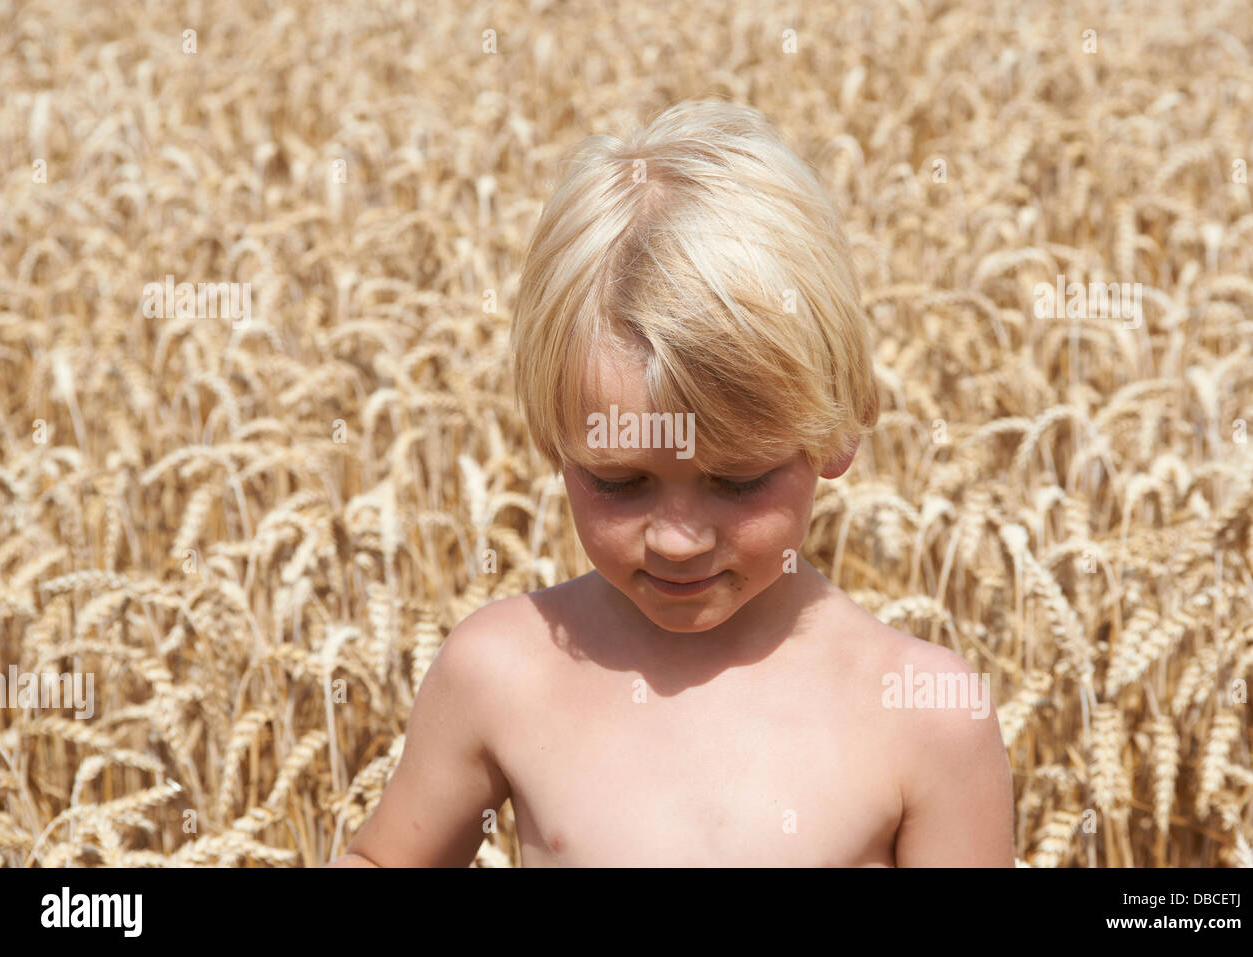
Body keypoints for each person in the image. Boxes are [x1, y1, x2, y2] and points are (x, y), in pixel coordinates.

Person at [328, 98, 1014, 866]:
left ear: (841, 430)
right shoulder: (500, 672)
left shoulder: (926, 715)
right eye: (620, 482)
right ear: (553, 438)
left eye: (738, 479)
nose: (677, 539)